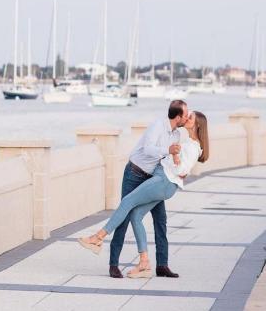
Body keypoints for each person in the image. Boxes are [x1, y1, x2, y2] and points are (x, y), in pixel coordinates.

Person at [78, 111, 209, 278]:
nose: (186, 118)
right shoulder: (186, 141)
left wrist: (174, 155)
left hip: (163, 181)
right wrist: (172, 155)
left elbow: (182, 170)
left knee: (127, 202)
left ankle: (97, 238)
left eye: (190, 118)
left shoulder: (192, 146)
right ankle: (144, 263)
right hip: (163, 181)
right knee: (136, 216)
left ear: (197, 125)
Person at [107, 100, 189, 279]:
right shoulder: (158, 126)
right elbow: (148, 149)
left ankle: (162, 265)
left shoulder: (176, 135)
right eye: (185, 114)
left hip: (152, 179)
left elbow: (168, 160)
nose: (187, 117)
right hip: (134, 173)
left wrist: (180, 170)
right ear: (177, 116)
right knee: (125, 216)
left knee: (161, 219)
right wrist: (168, 150)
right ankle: (113, 264)